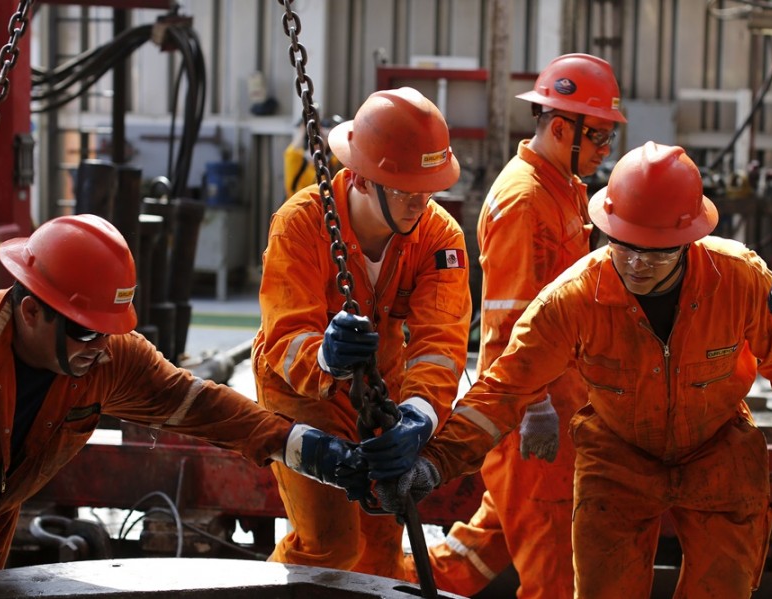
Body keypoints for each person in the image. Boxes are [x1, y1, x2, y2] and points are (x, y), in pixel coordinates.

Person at [364, 141, 772, 598]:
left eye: (654, 252)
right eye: (623, 245)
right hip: (617, 456)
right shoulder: (574, 298)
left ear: (688, 241)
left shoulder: (739, 280)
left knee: (723, 587)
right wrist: (435, 461)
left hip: (718, 448)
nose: (634, 264)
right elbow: (503, 388)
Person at [0, 214, 365, 573]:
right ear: (30, 312)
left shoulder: (108, 358)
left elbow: (198, 404)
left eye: (110, 329)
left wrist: (305, 448)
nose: (101, 347)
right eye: (84, 331)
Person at [400, 53, 626, 598]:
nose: (604, 151)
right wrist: (540, 409)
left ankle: (380, 584)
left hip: (551, 412)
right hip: (532, 420)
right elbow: (511, 323)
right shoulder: (525, 201)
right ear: (558, 128)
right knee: (551, 573)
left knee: (478, 552)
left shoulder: (563, 187)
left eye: (608, 139)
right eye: (597, 137)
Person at [253, 86, 472, 580]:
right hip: (301, 395)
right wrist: (325, 358)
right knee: (328, 545)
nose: (420, 203)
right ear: (358, 179)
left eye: (428, 189)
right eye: (404, 190)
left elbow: (442, 342)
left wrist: (418, 416)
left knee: (378, 556)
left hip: (381, 392)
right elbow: (286, 337)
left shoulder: (440, 238)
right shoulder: (301, 226)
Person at [283, 110, 344, 198]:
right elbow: (292, 151)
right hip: (301, 206)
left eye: (323, 137)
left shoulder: (331, 163)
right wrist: (304, 127)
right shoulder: (299, 161)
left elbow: (343, 157)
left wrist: (336, 133)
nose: (318, 143)